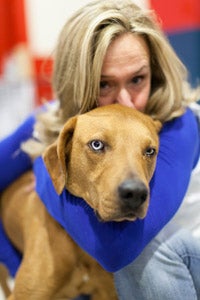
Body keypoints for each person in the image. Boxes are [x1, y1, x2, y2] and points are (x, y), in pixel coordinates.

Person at [1, 0, 200, 299]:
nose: (125, 102)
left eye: (137, 79)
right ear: (78, 82)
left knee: (145, 259)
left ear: (154, 73)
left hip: (182, 259)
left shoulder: (180, 125)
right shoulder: (58, 120)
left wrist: (46, 173)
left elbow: (117, 250)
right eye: (103, 84)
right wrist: (10, 257)